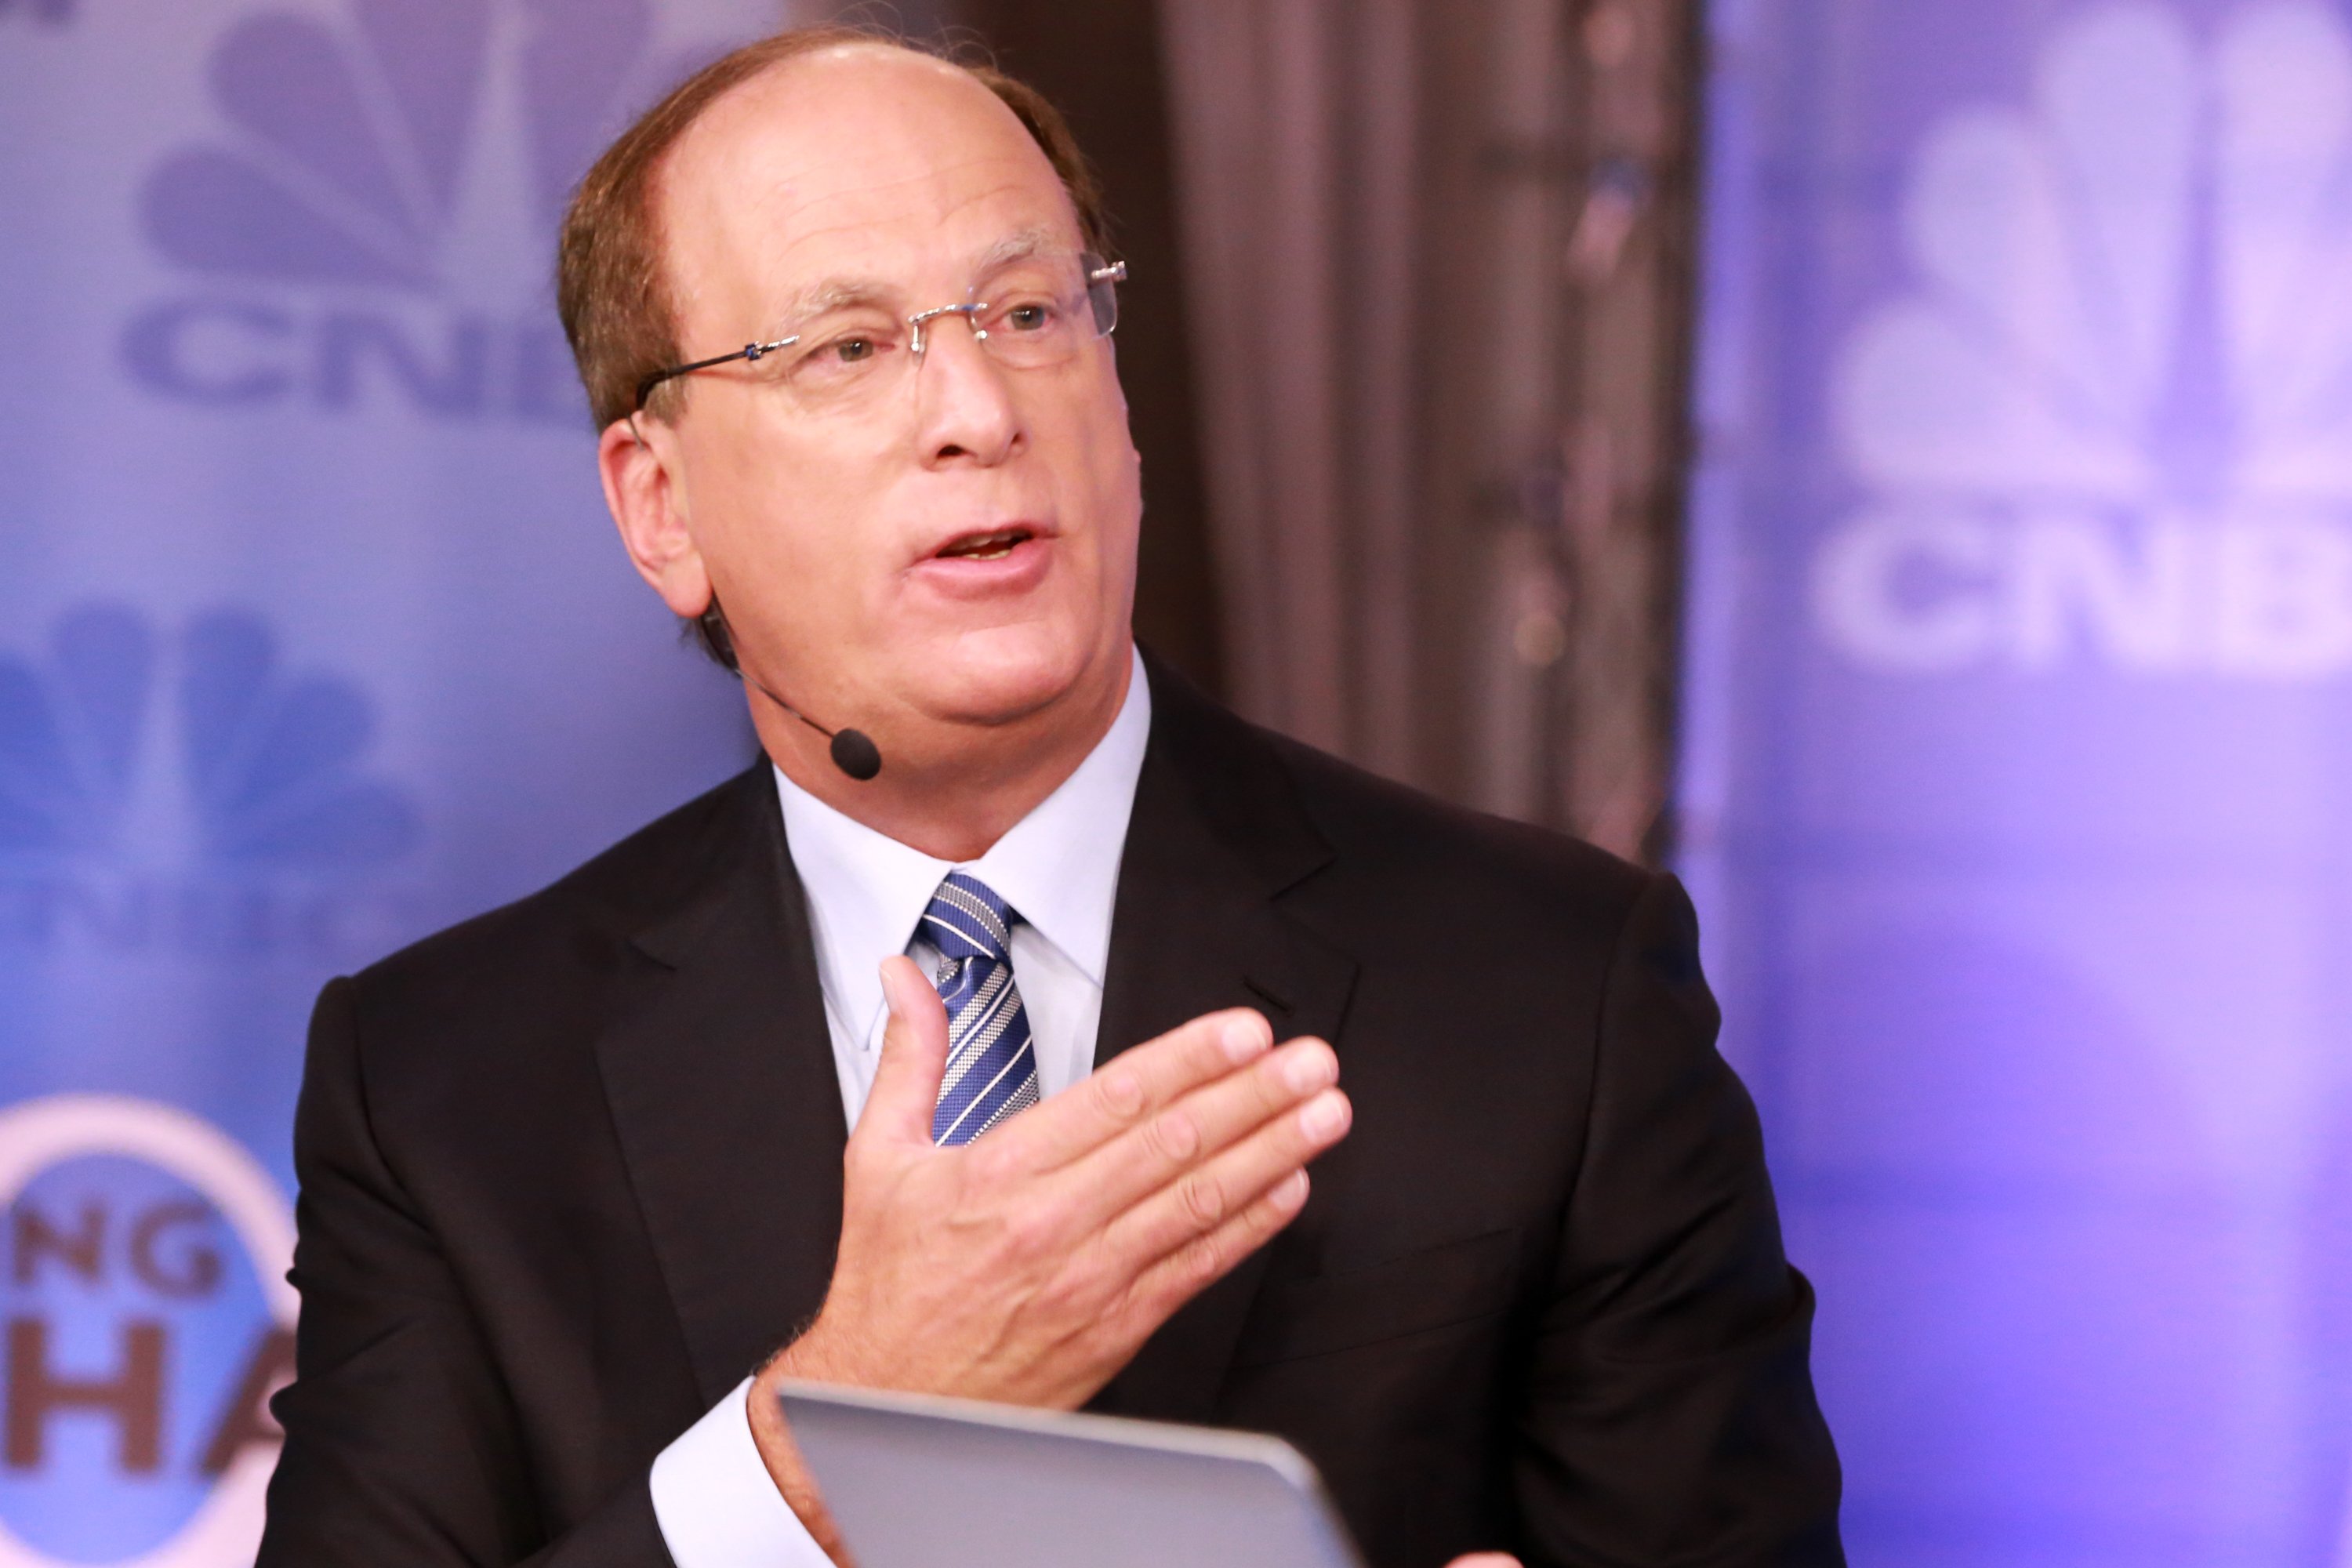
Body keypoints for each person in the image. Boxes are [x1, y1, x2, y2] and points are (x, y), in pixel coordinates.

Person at [257, 24, 1842, 1568]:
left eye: (1028, 312)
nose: (979, 412)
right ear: (660, 505)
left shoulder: (1548, 988)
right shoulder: (449, 1088)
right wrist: (819, 1441)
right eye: (848, 348)